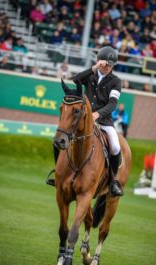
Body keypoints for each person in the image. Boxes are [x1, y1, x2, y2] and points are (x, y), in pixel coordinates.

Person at [47, 46, 123, 197]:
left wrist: (97, 114)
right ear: (99, 61)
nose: (107, 67)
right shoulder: (91, 75)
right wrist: (93, 68)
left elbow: (112, 104)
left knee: (115, 146)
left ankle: (113, 181)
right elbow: (75, 80)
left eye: (110, 65)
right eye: (105, 64)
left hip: (104, 121)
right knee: (59, 138)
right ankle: (58, 173)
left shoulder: (116, 81)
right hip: (83, 119)